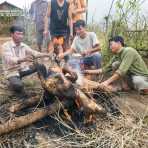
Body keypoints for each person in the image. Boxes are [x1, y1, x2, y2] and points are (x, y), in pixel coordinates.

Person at [2, 25, 49, 94]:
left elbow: (34, 53)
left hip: (23, 69)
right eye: (18, 34)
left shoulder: (23, 45)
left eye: (22, 34)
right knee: (18, 86)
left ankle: (46, 83)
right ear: (12, 34)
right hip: (12, 72)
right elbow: (10, 60)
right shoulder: (6, 46)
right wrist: (23, 59)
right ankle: (13, 84)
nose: (21, 36)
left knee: (41, 66)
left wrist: (46, 54)